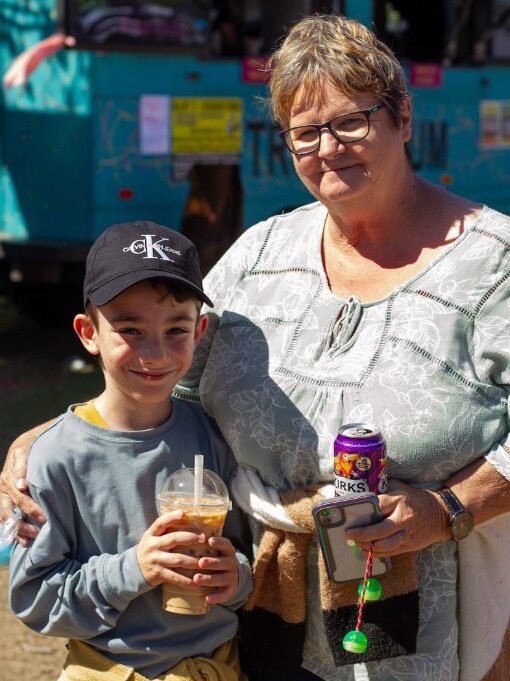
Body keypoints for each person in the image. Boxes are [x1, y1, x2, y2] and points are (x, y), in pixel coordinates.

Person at [2, 12, 510, 681]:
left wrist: (447, 508)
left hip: (417, 631)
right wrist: (41, 437)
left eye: (351, 121)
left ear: (403, 118)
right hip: (254, 619)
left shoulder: (492, 261)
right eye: (305, 132)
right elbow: (163, 379)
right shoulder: (259, 256)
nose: (328, 148)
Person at [7, 221, 252, 681]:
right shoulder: (54, 458)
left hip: (220, 668)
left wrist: (234, 577)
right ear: (88, 332)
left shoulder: (214, 436)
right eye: (130, 329)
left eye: (175, 329)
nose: (156, 352)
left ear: (199, 331)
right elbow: (35, 600)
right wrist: (134, 569)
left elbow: (246, 557)